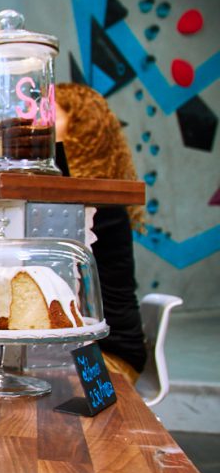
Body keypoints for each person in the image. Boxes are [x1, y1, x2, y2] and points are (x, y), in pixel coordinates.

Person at [55, 83, 147, 385]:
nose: (36, 120)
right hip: (83, 346)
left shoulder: (97, 207)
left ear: (82, 128)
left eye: (50, 114)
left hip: (110, 353)